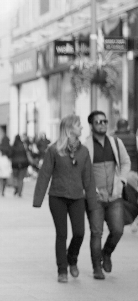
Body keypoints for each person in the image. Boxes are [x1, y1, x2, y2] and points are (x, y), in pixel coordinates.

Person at [34, 115, 98, 282]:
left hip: (77, 197)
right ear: (70, 128)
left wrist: (92, 202)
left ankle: (72, 258)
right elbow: (44, 174)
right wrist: (38, 199)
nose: (82, 128)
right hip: (57, 197)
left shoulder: (84, 151)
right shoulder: (53, 150)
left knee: (79, 233)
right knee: (61, 234)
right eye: (79, 125)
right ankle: (62, 270)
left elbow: (88, 179)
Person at [85, 111, 131, 279]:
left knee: (118, 230)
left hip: (114, 196)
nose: (103, 124)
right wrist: (93, 190)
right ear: (92, 125)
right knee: (96, 232)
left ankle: (106, 253)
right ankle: (97, 267)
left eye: (105, 121)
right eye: (98, 122)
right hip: (95, 197)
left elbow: (126, 162)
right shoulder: (86, 146)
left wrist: (122, 180)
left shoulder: (116, 142)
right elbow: (84, 171)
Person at [115, 118, 138, 189]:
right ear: (128, 127)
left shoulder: (111, 138)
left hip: (116, 174)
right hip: (132, 173)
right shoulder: (134, 137)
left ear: (116, 127)